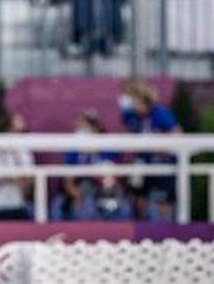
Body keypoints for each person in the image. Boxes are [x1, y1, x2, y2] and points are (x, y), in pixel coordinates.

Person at [119, 79, 181, 221]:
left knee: (164, 205)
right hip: (143, 166)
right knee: (139, 200)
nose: (129, 103)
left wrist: (156, 146)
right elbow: (125, 138)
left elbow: (178, 137)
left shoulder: (160, 113)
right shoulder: (131, 117)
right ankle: (142, 231)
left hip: (164, 167)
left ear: (141, 99)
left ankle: (166, 233)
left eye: (132, 99)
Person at [54, 111, 131, 221]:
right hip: (82, 187)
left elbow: (112, 177)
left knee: (122, 206)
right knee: (80, 203)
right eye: (79, 126)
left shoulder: (108, 147)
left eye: (84, 126)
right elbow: (68, 179)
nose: (80, 129)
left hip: (103, 189)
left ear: (95, 128)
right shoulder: (74, 149)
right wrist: (74, 192)